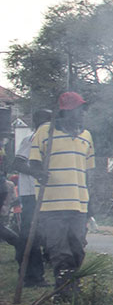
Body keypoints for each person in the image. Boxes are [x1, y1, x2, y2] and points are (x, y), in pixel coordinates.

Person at [27, 93, 96, 287]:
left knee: (78, 250)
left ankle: (70, 289)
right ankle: (65, 294)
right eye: (79, 109)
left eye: (84, 109)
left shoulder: (87, 136)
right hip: (51, 205)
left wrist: (90, 204)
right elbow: (33, 164)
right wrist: (40, 174)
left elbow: (88, 173)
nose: (83, 113)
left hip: (79, 204)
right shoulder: (45, 132)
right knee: (60, 252)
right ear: (67, 111)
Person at [11, 108, 53, 286]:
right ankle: (31, 277)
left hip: (39, 195)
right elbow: (17, 163)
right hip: (30, 194)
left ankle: (32, 274)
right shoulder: (33, 138)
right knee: (31, 236)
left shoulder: (45, 139)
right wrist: (37, 173)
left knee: (36, 235)